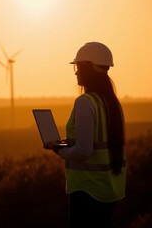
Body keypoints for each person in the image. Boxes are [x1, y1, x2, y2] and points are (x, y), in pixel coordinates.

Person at [46, 42, 126, 228]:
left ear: (89, 67)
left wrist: (59, 150)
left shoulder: (85, 102)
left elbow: (84, 151)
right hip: (109, 189)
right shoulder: (113, 104)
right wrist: (70, 143)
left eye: (78, 66)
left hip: (87, 190)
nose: (75, 72)